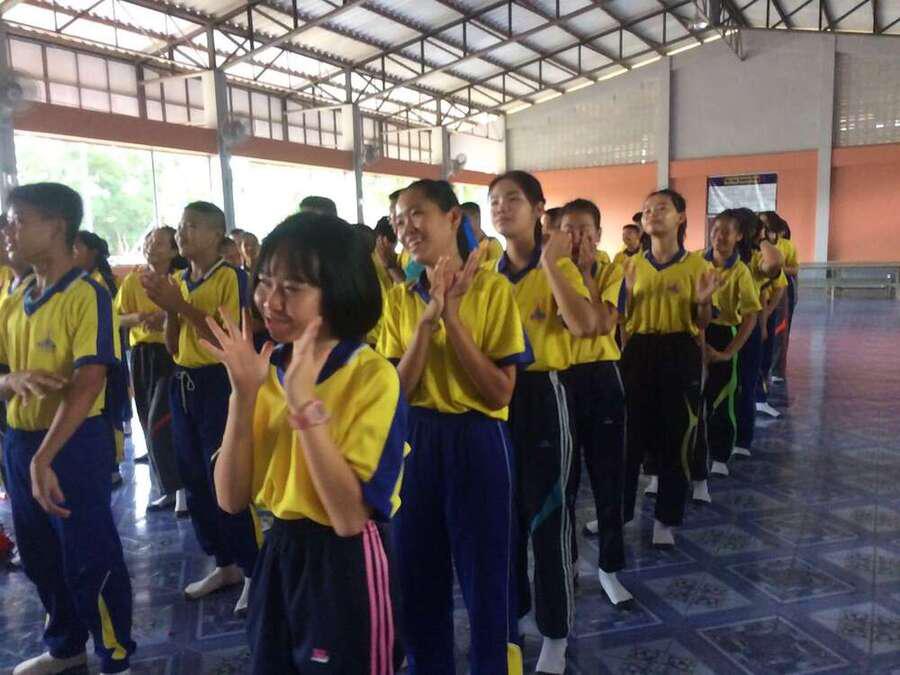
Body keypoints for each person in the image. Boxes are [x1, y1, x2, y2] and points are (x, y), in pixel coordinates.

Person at [207, 213, 404, 673]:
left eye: (292, 288)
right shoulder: (265, 367)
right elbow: (230, 498)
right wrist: (243, 395)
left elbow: (349, 518)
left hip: (347, 561)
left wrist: (303, 405)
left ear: (336, 291)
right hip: (281, 549)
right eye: (265, 282)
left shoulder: (372, 376)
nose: (270, 301)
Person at [379, 179, 528, 675]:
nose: (406, 227)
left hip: (478, 438)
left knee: (487, 578)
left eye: (416, 213)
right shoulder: (399, 298)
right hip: (414, 440)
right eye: (398, 220)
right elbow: (396, 390)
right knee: (416, 576)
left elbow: (499, 393)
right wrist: (428, 321)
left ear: (452, 218)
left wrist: (454, 317)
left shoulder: (493, 290)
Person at [0, 182, 135, 675]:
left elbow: (88, 381)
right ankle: (66, 646)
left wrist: (45, 457)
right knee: (39, 554)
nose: (8, 231)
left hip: (72, 442)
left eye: (17, 220)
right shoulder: (14, 297)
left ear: (56, 226)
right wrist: (10, 381)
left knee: (88, 552)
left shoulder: (87, 294)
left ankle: (115, 653)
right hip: (20, 440)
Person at [491, 171, 596, 674]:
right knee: (503, 518)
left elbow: (584, 325)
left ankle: (556, 633)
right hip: (493, 399)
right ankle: (513, 614)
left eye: (512, 198)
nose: (501, 207)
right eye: (494, 200)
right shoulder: (485, 273)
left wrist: (553, 264)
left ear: (538, 209)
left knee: (548, 517)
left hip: (542, 396)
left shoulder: (559, 267)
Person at [141, 201, 259, 616]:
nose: (182, 233)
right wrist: (171, 308)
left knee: (226, 477)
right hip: (184, 383)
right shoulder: (179, 280)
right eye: (180, 226)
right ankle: (224, 563)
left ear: (215, 234)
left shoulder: (232, 277)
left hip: (219, 384)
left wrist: (180, 305)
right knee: (193, 478)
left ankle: (252, 569)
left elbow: (230, 335)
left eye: (191, 226)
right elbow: (173, 346)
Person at [619, 189, 719, 549]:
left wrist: (703, 303)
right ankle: (619, 513)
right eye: (647, 210)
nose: (652, 214)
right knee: (629, 439)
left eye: (661, 208)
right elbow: (622, 319)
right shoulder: (630, 266)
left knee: (678, 437)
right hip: (639, 350)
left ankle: (666, 519)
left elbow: (703, 322)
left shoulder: (698, 266)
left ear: (681, 217)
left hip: (680, 350)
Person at [557, 199, 631, 606]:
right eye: (568, 229)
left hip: (602, 377)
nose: (577, 237)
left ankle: (609, 567)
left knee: (608, 477)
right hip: (560, 380)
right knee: (564, 481)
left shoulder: (611, 270)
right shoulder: (549, 272)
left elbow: (601, 324)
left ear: (599, 234)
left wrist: (586, 274)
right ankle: (567, 561)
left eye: (585, 229)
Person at [115, 227, 187, 514]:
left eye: (158, 243)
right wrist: (139, 317)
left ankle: (181, 489)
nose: (151, 247)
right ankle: (167, 488)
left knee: (162, 422)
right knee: (146, 420)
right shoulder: (133, 281)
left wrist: (167, 315)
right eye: (148, 242)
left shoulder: (179, 280)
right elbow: (117, 318)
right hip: (142, 354)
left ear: (173, 250)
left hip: (171, 353)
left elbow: (187, 313)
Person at [695, 211, 761, 488]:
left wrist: (728, 352)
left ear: (739, 236)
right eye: (715, 230)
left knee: (722, 398)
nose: (719, 236)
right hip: (695, 333)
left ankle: (720, 455)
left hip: (723, 334)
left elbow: (750, 315)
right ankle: (692, 455)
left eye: (726, 231)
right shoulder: (696, 262)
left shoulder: (741, 271)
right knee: (693, 398)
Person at [72, 230, 131, 486]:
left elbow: (115, 320)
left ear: (92, 252)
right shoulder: (83, 281)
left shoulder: (96, 284)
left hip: (104, 359)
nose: (72, 253)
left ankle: (112, 467)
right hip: (104, 356)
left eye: (77, 247)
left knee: (106, 410)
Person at [729, 208, 783, 458]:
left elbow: (774, 264)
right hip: (720, 327)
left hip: (747, 327)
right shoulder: (712, 257)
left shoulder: (754, 261)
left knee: (745, 383)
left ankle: (742, 439)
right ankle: (718, 440)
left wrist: (761, 239)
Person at [759, 211, 797, 383]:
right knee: (762, 331)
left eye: (765, 225)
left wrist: (777, 268)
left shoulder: (786, 245)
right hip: (762, 293)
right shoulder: (757, 247)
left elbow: (794, 269)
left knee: (780, 330)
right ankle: (761, 368)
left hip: (781, 290)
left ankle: (776, 370)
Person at [460, 201, 504, 268]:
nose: (461, 225)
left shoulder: (492, 244)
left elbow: (499, 270)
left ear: (477, 218)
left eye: (465, 221)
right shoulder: (463, 245)